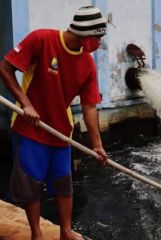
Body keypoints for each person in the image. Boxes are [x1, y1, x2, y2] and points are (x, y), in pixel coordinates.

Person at [0, 6, 108, 240]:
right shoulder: (42, 39)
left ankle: (66, 231)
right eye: (98, 36)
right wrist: (26, 103)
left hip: (61, 132)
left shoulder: (88, 64)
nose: (99, 42)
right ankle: (37, 233)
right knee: (30, 183)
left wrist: (96, 144)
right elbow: (5, 67)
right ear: (85, 32)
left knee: (63, 181)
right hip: (29, 128)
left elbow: (89, 106)